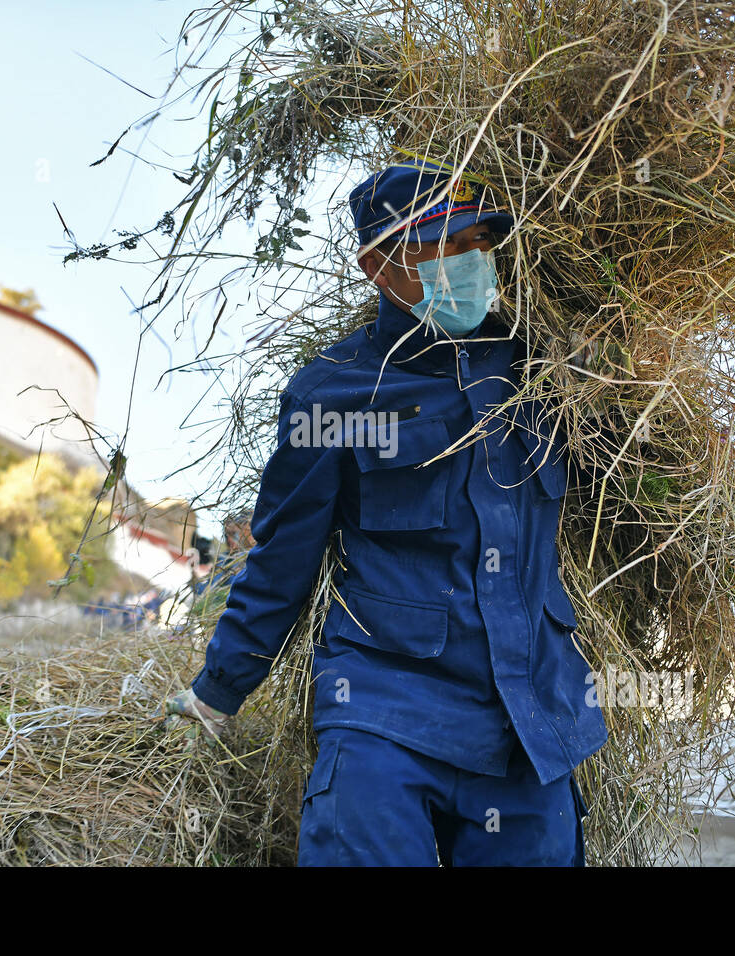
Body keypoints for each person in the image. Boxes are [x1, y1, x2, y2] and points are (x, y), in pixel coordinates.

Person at [164, 156, 608, 865]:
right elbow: (282, 563)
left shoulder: (541, 371)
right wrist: (218, 691)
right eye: (447, 245)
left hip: (531, 720)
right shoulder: (332, 395)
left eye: (480, 243)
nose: (473, 262)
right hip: (383, 714)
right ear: (381, 266)